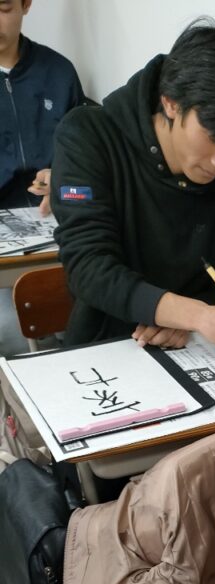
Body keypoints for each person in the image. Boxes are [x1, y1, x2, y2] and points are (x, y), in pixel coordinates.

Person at [50, 19, 215, 351]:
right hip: (104, 348)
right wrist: (195, 315)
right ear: (171, 103)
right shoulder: (88, 138)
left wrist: (190, 322)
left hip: (191, 351)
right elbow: (88, 267)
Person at [1, 0, 84, 356]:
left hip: (58, 234)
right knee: (10, 329)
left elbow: (89, 177)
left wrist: (63, 180)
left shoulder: (59, 73)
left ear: (25, 5)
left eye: (3, 7)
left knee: (84, 318)